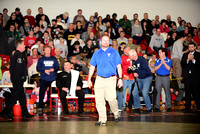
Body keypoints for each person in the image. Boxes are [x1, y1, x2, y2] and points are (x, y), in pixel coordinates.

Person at [87, 35, 123, 126]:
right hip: (99, 79)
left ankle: (116, 112)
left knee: (111, 99)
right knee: (99, 100)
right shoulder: (96, 53)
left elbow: (119, 66)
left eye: (107, 40)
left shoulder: (114, 52)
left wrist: (120, 79)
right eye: (104, 40)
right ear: (101, 42)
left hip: (111, 78)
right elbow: (92, 67)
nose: (106, 42)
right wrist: (89, 79)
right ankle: (102, 120)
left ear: (109, 42)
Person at [0, 40, 34, 120]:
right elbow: (18, 69)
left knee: (22, 97)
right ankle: (4, 112)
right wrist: (22, 78)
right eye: (24, 45)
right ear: (20, 46)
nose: (25, 46)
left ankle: (25, 113)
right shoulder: (18, 55)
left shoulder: (15, 54)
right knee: (15, 96)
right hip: (18, 80)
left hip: (16, 79)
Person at [128, 49, 153, 114]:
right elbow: (133, 69)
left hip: (147, 77)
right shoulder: (133, 61)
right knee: (134, 92)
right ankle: (137, 107)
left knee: (144, 93)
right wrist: (133, 72)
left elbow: (146, 71)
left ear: (133, 55)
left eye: (129, 55)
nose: (129, 57)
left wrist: (138, 74)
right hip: (139, 78)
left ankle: (149, 108)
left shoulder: (142, 60)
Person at [36, 46, 59, 112]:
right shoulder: (41, 59)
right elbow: (38, 68)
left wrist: (53, 69)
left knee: (52, 93)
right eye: (46, 50)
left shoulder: (54, 58)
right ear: (44, 51)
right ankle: (40, 106)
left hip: (52, 79)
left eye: (49, 50)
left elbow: (57, 67)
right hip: (43, 78)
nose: (48, 52)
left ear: (50, 51)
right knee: (41, 93)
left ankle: (51, 105)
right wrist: (44, 70)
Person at [181, 42, 200, 111]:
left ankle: (198, 106)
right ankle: (187, 107)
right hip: (187, 77)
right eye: (189, 47)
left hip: (196, 77)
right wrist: (188, 59)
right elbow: (182, 64)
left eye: (192, 47)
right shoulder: (185, 54)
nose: (190, 48)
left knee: (196, 91)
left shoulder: (198, 54)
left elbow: (199, 64)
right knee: (187, 92)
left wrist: (193, 60)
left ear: (195, 47)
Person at [121, 46, 134, 110]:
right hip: (125, 77)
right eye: (128, 49)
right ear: (125, 50)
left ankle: (131, 104)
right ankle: (123, 104)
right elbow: (120, 68)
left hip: (132, 77)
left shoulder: (131, 56)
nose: (129, 50)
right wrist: (123, 75)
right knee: (123, 92)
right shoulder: (122, 58)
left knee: (133, 92)